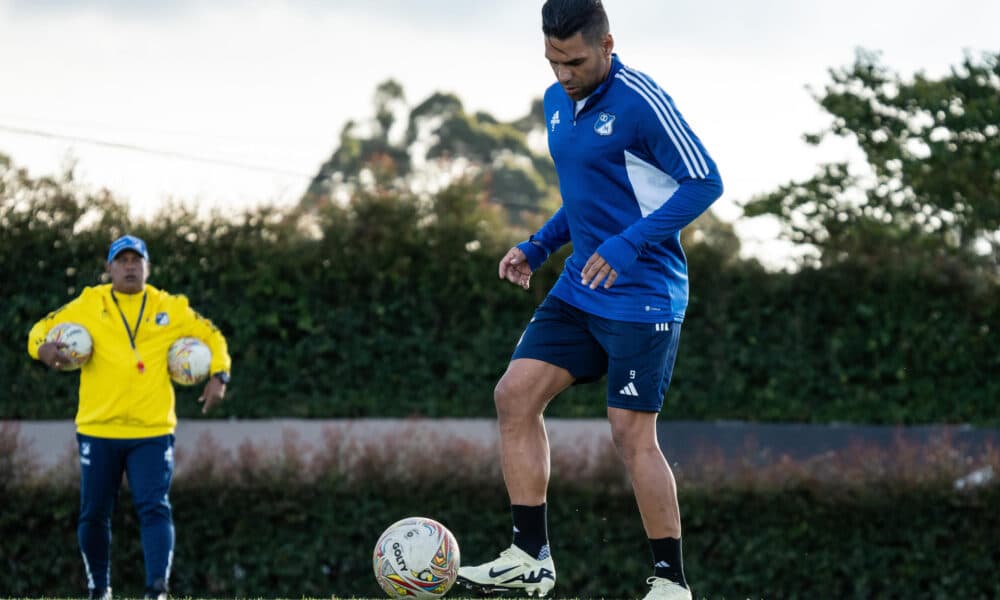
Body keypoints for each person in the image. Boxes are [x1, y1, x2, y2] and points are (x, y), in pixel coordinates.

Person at [455, 2, 723, 599]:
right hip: (580, 287)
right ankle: (530, 558)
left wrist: (630, 244)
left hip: (644, 296)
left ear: (607, 43)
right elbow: (586, 197)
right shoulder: (557, 103)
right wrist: (539, 244)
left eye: (575, 61)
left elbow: (706, 180)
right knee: (513, 395)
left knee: (630, 434)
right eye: (553, 62)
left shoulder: (641, 102)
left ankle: (671, 583)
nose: (563, 74)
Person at [27, 234, 232, 600]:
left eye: (137, 260)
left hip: (152, 431)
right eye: (121, 260)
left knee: (154, 508)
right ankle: (99, 589)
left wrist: (219, 374)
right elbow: (39, 329)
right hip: (98, 428)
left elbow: (212, 335)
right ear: (109, 268)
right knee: (93, 513)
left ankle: (157, 591)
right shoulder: (90, 302)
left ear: (147, 267)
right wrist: (42, 349)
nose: (129, 266)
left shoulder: (170, 306)